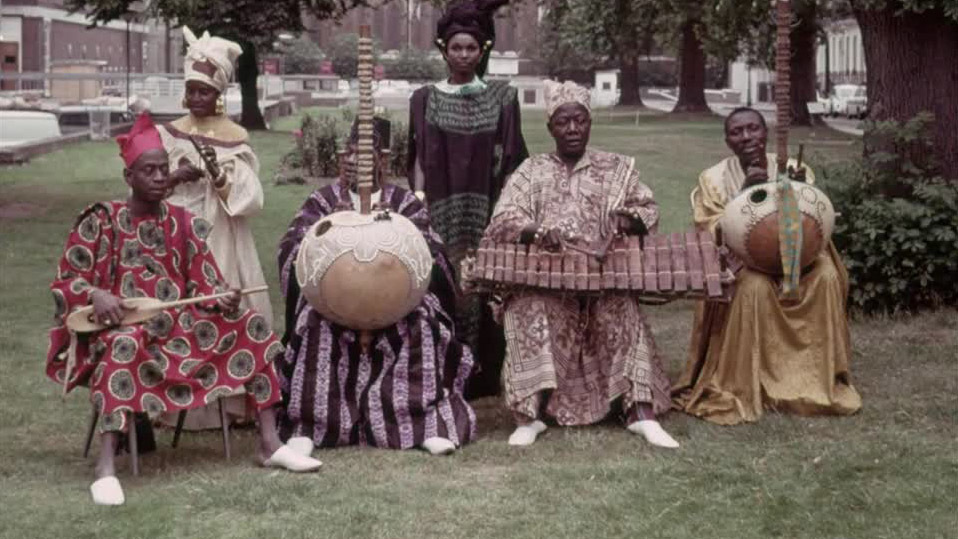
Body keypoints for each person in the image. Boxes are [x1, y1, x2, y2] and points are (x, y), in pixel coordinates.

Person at [46, 113, 322, 506]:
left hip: (180, 330)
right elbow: (66, 282)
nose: (160, 178)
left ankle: (269, 443)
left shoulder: (184, 223)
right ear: (129, 177)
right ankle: (105, 467)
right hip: (121, 331)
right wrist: (95, 294)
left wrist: (221, 297)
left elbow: (205, 283)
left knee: (251, 325)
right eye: (149, 171)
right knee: (125, 343)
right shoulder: (101, 221)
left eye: (164, 169)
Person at [483, 81, 679, 448]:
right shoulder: (531, 171)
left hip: (604, 281)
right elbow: (503, 220)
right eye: (563, 122)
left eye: (580, 121)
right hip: (545, 282)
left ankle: (640, 413)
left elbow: (648, 209)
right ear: (550, 128)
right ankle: (529, 416)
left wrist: (629, 220)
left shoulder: (616, 168)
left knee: (623, 308)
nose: (573, 129)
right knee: (526, 307)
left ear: (590, 123)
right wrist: (537, 232)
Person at [277, 119, 477, 456]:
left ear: (383, 159)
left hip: (398, 302)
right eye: (354, 153)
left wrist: (396, 232)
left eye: (369, 154)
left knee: (422, 322)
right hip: (334, 302)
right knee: (313, 323)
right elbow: (293, 247)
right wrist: (331, 228)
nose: (361, 161)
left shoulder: (404, 201)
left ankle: (423, 424)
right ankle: (310, 426)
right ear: (345, 157)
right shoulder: (324, 200)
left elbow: (431, 251)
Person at [671, 107, 862, 425]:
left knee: (827, 275)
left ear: (766, 132)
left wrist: (800, 192)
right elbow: (709, 231)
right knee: (755, 287)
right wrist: (745, 194)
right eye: (737, 132)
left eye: (753, 129)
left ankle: (819, 376)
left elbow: (814, 220)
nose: (747, 137)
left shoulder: (795, 167)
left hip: (798, 256)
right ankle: (751, 381)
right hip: (742, 262)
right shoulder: (713, 179)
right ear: (727, 141)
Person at [407, 0, 528, 398]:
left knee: (486, 281)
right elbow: (419, 156)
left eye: (471, 48)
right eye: (456, 47)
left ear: (483, 50)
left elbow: (511, 158)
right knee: (444, 282)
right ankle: (444, 369)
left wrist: (505, 211)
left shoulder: (503, 98)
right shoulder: (424, 98)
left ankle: (483, 374)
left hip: (487, 207)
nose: (463, 55)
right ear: (444, 50)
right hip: (440, 206)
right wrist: (419, 201)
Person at [157, 27, 270, 428]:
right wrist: (175, 176)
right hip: (175, 230)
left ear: (218, 93)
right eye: (191, 90)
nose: (196, 98)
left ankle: (228, 402)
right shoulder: (168, 133)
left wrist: (218, 175)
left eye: (204, 91)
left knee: (222, 303)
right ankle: (172, 401)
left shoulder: (234, 137)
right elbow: (144, 181)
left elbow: (250, 195)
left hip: (220, 231)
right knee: (177, 307)